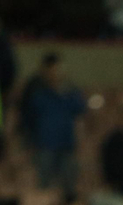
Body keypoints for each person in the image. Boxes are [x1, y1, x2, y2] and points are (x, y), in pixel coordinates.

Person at [24, 54, 86, 196]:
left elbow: (80, 109)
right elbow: (28, 120)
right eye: (52, 70)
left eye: (58, 70)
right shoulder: (37, 93)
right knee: (44, 187)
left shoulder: (70, 92)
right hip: (44, 147)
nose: (55, 74)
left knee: (69, 187)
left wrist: (65, 90)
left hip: (67, 146)